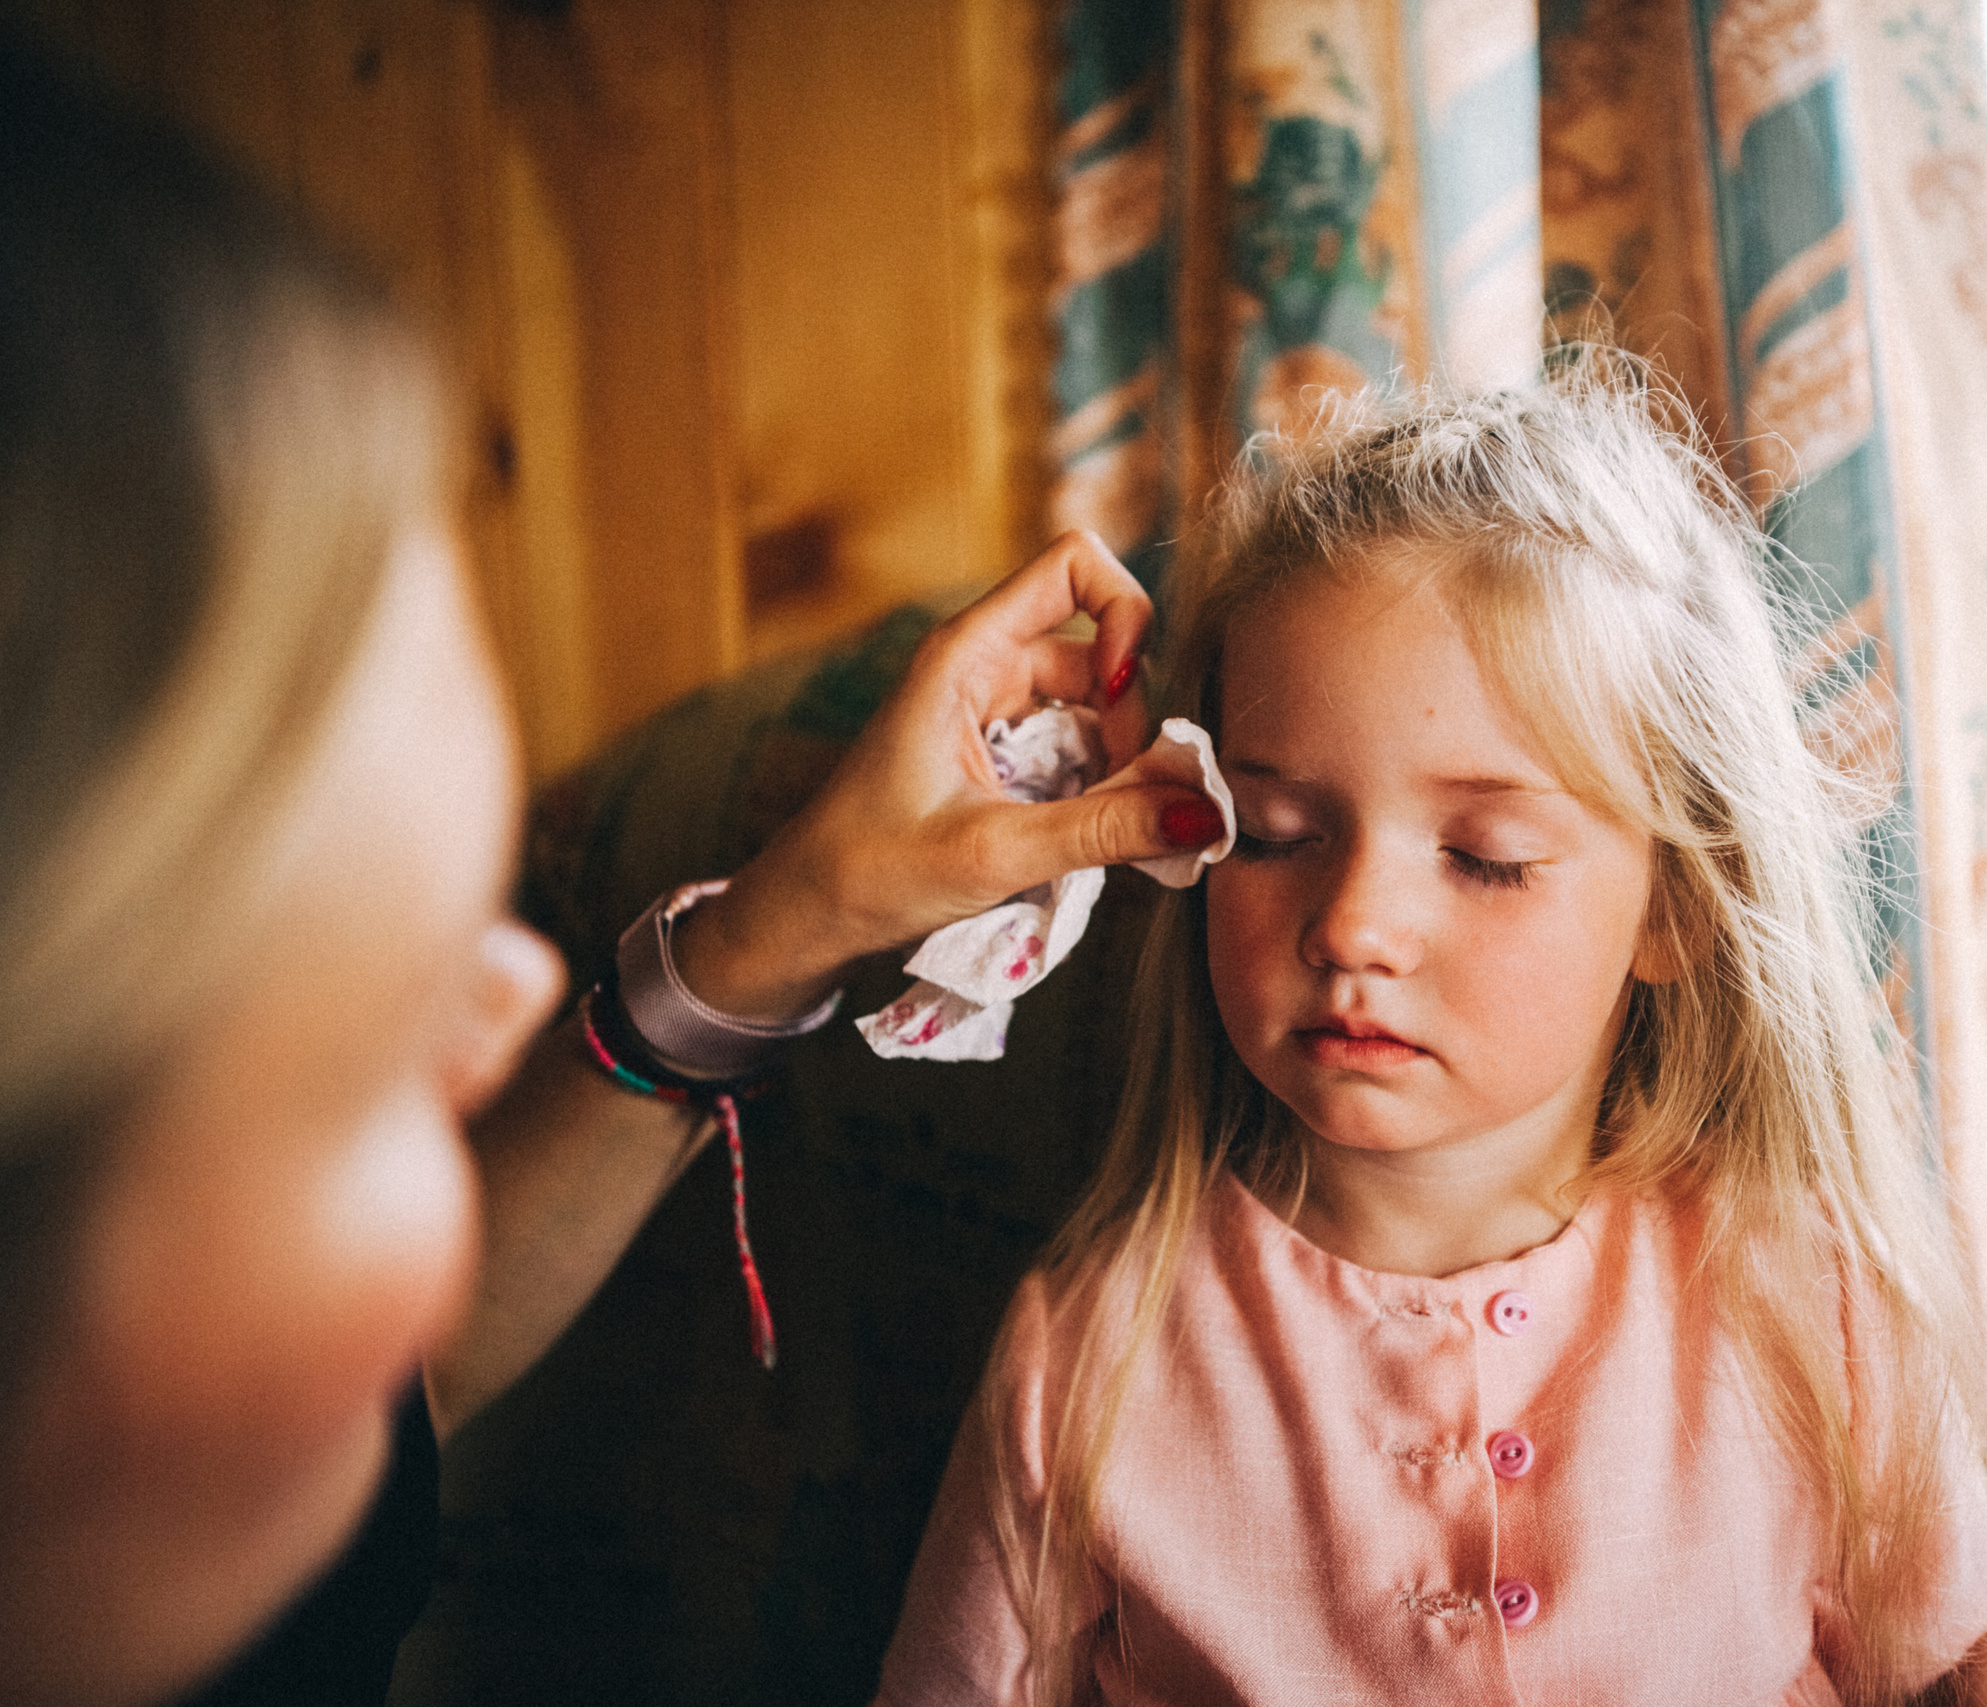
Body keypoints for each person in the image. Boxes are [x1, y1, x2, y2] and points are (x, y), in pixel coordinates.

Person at [0, 41, 1218, 1707]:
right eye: (366, 1059)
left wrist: (771, 936)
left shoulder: (189, 1482)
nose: (517, 991)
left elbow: (389, 1387)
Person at [872, 375, 1987, 1706]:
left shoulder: (1811, 1309)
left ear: (1674, 909)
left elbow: (1975, 1675)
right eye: (1276, 835)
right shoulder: (1086, 1360)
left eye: (1488, 856)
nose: (1353, 926)